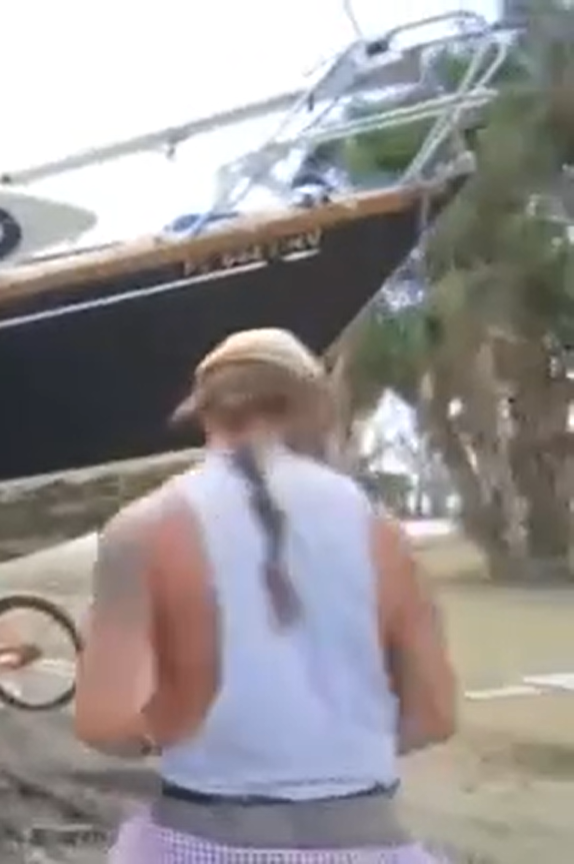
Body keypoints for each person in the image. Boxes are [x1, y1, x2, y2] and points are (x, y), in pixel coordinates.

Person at [72, 328, 458, 862]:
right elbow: (435, 715)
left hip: (198, 839)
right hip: (368, 841)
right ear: (317, 413)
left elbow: (105, 722)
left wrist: (209, 733)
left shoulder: (142, 528)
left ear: (205, 415)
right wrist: (331, 753)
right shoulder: (383, 533)